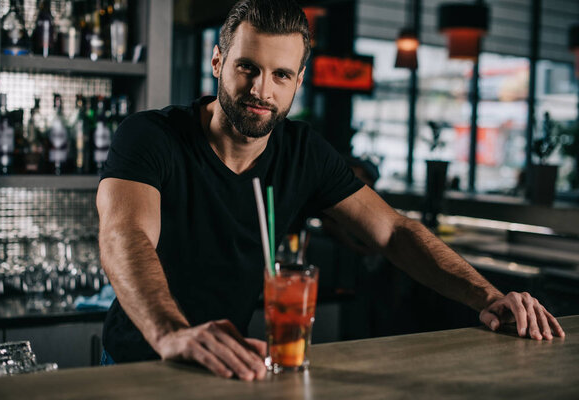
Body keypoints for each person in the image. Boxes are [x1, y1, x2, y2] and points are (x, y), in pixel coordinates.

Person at [96, 0, 565, 381]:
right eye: (247, 68)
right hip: (139, 359)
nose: (262, 89)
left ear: (298, 81)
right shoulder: (151, 136)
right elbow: (126, 237)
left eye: (281, 75)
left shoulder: (303, 152)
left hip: (228, 363)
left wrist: (488, 297)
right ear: (218, 62)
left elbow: (394, 232)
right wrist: (171, 334)